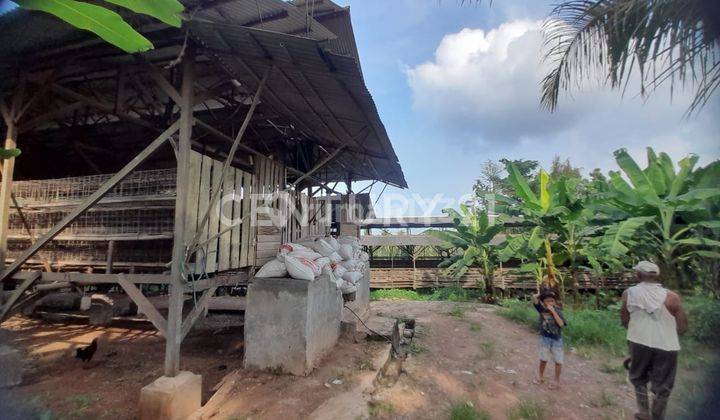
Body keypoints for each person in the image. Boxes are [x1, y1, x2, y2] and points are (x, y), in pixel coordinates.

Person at [621, 261, 688, 420]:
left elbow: (625, 321)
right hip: (667, 346)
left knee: (638, 377)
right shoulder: (672, 297)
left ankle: (644, 412)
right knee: (663, 386)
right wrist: (665, 334)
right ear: (657, 276)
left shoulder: (629, 294)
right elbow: (683, 326)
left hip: (638, 342)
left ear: (638, 275)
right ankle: (657, 417)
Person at [532, 290, 567, 389]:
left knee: (558, 361)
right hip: (545, 339)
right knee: (543, 359)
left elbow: (561, 324)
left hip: (557, 340)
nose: (550, 303)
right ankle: (540, 377)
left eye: (552, 301)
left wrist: (553, 311)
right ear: (543, 302)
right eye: (547, 301)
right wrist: (543, 294)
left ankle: (556, 381)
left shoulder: (558, 311)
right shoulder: (542, 310)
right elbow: (535, 298)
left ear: (554, 302)